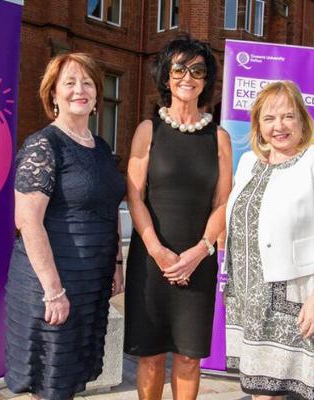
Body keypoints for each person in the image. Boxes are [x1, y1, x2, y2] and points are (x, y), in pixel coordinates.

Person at [5, 53, 126, 400]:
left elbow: (110, 207)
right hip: (52, 283)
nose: (79, 89)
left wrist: (117, 263)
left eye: (87, 82)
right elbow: (27, 221)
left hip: (90, 284)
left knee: (70, 380)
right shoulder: (44, 145)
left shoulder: (101, 148)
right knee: (50, 382)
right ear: (53, 94)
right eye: (70, 82)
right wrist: (53, 290)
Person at [224, 80, 314, 400]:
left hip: (286, 296)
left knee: (269, 392)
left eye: (287, 116)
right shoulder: (248, 162)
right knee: (258, 389)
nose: (278, 126)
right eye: (269, 119)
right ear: (258, 125)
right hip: (245, 296)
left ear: (301, 119)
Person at [124, 36, 232, 400]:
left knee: (188, 358)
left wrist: (199, 251)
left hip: (197, 263)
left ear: (207, 80)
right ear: (166, 76)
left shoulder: (219, 137)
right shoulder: (148, 130)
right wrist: (157, 251)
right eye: (180, 68)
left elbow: (222, 202)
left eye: (198, 70)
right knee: (151, 357)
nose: (189, 77)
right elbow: (135, 196)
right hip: (152, 261)